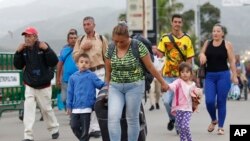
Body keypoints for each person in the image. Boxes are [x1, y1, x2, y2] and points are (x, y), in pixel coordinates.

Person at [105, 22, 168, 141]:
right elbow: (108, 70)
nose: (118, 44)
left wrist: (163, 82)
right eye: (116, 41)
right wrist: (106, 87)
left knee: (132, 118)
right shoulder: (111, 47)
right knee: (113, 117)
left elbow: (150, 67)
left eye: (121, 41)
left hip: (134, 86)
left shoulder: (138, 46)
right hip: (115, 87)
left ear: (128, 37)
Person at [13, 27, 59, 141]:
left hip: (43, 85)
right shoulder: (23, 49)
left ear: (35, 37)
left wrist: (47, 50)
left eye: (29, 36)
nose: (27, 39)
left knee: (46, 109)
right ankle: (28, 136)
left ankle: (54, 129)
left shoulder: (43, 46)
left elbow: (54, 61)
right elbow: (18, 65)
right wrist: (17, 53)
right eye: (25, 36)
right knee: (28, 110)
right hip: (29, 84)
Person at [157, 14, 195, 133]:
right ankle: (173, 119)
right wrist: (158, 70)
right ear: (171, 23)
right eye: (175, 22)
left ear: (182, 23)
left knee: (179, 103)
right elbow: (160, 56)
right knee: (167, 101)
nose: (177, 24)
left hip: (181, 77)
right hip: (167, 75)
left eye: (179, 22)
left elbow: (189, 59)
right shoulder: (165, 38)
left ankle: (178, 126)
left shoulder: (187, 39)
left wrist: (188, 75)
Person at [199, 23, 238, 135]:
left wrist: (234, 75)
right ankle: (213, 120)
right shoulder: (207, 43)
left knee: (221, 102)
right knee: (209, 101)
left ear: (222, 34)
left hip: (223, 76)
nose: (215, 33)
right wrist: (202, 55)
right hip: (210, 76)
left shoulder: (227, 44)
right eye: (214, 31)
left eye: (218, 31)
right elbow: (201, 53)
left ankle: (221, 126)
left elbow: (232, 61)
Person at [73, 16, 108, 138]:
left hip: (99, 71)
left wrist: (109, 75)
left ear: (94, 25)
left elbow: (107, 57)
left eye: (88, 24)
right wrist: (83, 48)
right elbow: (75, 57)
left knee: (98, 100)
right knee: (89, 99)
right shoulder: (80, 40)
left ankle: (95, 127)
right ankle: (87, 127)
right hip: (86, 74)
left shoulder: (102, 39)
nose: (86, 26)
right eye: (84, 25)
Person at [66, 53, 107, 141]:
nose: (84, 64)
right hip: (75, 108)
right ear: (77, 64)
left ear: (89, 65)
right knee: (74, 126)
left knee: (85, 130)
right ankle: (85, 139)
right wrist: (69, 106)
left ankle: (84, 138)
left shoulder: (91, 76)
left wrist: (108, 85)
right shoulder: (73, 78)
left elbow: (101, 85)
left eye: (86, 62)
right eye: (81, 62)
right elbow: (70, 93)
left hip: (87, 107)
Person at [167, 62, 202, 141]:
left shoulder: (192, 84)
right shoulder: (178, 82)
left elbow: (196, 92)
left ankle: (189, 139)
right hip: (179, 108)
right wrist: (167, 86)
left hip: (188, 109)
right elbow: (173, 85)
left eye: (187, 72)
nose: (184, 74)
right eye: (182, 72)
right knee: (180, 128)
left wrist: (198, 92)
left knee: (185, 126)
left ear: (190, 73)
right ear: (179, 73)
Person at [56, 29, 78, 110]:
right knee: (64, 98)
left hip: (78, 79)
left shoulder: (80, 49)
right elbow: (59, 65)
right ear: (68, 40)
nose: (73, 40)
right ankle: (69, 110)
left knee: (75, 98)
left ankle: (73, 117)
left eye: (75, 38)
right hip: (66, 79)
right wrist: (58, 78)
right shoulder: (64, 51)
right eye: (71, 38)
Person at [148, 46, 164, 111]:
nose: (154, 49)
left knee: (158, 91)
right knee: (151, 90)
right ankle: (152, 104)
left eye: (155, 48)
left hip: (158, 76)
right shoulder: (149, 57)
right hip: (151, 76)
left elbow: (161, 68)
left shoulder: (161, 58)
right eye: (152, 48)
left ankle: (157, 102)